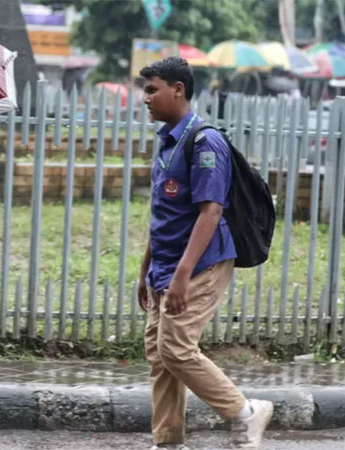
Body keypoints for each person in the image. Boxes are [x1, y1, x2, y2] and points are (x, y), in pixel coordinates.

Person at [137, 57, 273, 450]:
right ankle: (167, 441)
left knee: (176, 348)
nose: (145, 98)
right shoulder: (167, 141)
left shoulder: (204, 141)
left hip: (200, 262)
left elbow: (211, 211)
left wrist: (182, 274)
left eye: (152, 89)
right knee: (159, 355)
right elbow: (164, 211)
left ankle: (245, 412)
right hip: (166, 263)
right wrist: (146, 269)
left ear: (178, 90)